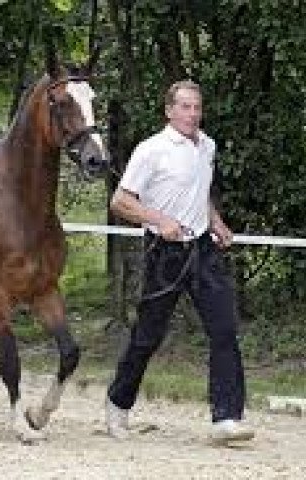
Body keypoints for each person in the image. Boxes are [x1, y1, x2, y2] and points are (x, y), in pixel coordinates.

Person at [105, 80, 255, 445]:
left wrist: (216, 222)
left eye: (196, 108)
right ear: (169, 111)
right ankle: (117, 402)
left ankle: (227, 417)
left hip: (202, 250)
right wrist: (159, 220)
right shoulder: (151, 150)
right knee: (148, 336)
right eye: (185, 107)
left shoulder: (207, 146)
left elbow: (198, 192)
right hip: (164, 253)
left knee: (224, 329)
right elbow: (120, 201)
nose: (192, 114)